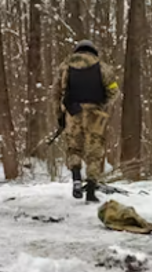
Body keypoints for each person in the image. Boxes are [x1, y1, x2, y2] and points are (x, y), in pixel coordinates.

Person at [51, 40, 119, 203]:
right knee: (94, 151)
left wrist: (60, 116)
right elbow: (114, 90)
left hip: (72, 112)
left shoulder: (64, 66)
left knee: (74, 148)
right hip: (95, 113)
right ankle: (90, 189)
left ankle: (76, 179)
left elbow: (56, 93)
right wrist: (102, 104)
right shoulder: (103, 67)